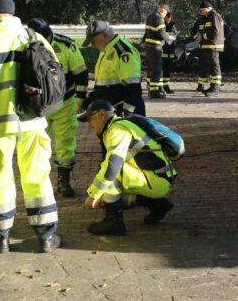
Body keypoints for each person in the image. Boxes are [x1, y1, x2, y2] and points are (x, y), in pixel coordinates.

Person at [0, 0, 61, 254]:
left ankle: (1, 238)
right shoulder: (35, 37)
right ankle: (46, 237)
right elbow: (54, 75)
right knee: (37, 175)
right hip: (33, 120)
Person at [78, 100, 177, 235]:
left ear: (102, 114)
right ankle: (158, 205)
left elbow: (113, 165)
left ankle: (114, 222)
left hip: (158, 180)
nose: (89, 123)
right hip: (161, 178)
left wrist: (94, 194)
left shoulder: (117, 130)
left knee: (112, 172)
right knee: (111, 189)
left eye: (90, 119)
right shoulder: (121, 125)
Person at [28, 18, 88, 199]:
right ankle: (40, 182)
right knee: (37, 143)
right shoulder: (25, 45)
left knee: (65, 142)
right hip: (38, 105)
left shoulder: (66, 45)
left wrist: (80, 98)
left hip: (64, 102)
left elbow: (81, 72)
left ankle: (63, 180)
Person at [84, 19, 145, 116]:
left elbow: (133, 86)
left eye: (93, 41)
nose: (93, 45)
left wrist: (128, 112)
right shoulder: (104, 52)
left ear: (104, 36)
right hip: (110, 113)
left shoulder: (123, 52)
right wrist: (91, 99)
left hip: (123, 113)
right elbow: (103, 85)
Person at [194, 1, 225, 97]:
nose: (201, 11)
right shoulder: (208, 17)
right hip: (208, 46)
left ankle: (215, 89)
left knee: (215, 67)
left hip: (213, 46)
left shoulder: (214, 16)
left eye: (202, 10)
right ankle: (212, 87)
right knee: (211, 68)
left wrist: (202, 36)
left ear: (208, 8)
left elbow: (215, 32)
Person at [143, 5, 171, 99]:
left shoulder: (151, 16)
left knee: (152, 68)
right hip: (155, 47)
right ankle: (154, 92)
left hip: (149, 46)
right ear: (162, 10)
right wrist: (169, 38)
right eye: (165, 13)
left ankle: (156, 88)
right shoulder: (159, 18)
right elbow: (162, 33)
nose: (165, 15)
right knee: (156, 69)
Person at [161, 10, 178, 95]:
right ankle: (160, 87)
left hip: (171, 51)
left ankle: (166, 86)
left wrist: (174, 38)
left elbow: (175, 36)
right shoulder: (161, 24)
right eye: (167, 17)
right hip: (163, 50)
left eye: (170, 17)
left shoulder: (173, 25)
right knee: (161, 70)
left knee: (168, 71)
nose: (169, 19)